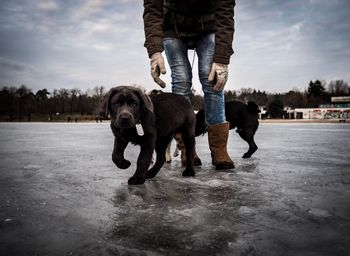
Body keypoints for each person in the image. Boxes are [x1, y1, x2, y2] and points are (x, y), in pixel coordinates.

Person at [143, 0, 235, 169]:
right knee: (181, 80)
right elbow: (152, 10)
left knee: (213, 80)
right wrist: (155, 52)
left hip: (209, 26)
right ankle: (186, 149)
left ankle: (219, 149)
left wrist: (222, 59)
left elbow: (225, 14)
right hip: (172, 27)